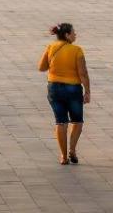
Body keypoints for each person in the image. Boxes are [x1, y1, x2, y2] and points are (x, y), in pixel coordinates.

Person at [37, 23, 91, 165]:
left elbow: (41, 67)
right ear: (67, 35)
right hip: (73, 88)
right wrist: (87, 91)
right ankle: (72, 150)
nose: (75, 35)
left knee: (60, 122)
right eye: (73, 32)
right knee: (77, 121)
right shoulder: (77, 50)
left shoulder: (50, 47)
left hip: (54, 87)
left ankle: (63, 156)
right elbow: (83, 73)